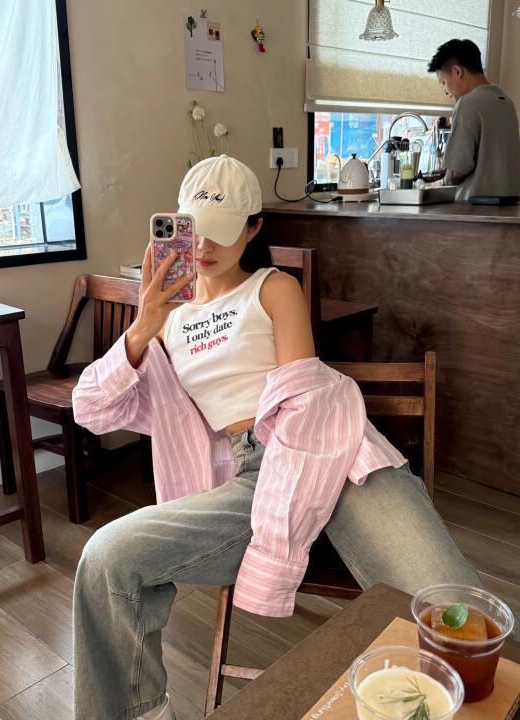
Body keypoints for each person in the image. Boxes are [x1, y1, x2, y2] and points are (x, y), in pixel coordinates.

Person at [72, 155, 484, 720]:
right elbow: (92, 408)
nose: (205, 247)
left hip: (336, 456)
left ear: (252, 229)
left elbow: (306, 408)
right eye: (196, 229)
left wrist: (275, 552)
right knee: (105, 559)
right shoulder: (167, 318)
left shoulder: (273, 288)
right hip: (251, 479)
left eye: (223, 232)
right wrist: (144, 324)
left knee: (458, 618)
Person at [428, 38, 520, 201]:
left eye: (443, 82)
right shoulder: (506, 102)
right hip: (508, 209)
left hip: (474, 208)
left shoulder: (467, 103)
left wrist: (440, 183)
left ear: (457, 71)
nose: (446, 91)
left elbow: (458, 169)